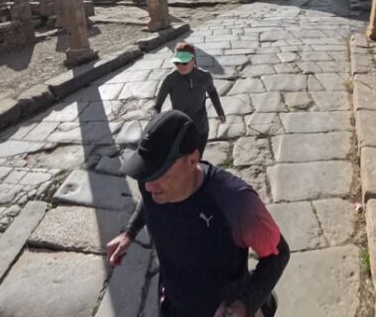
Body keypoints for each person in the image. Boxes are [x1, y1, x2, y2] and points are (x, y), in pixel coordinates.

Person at [107, 110, 289, 317]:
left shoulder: (235, 202)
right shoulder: (152, 183)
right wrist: (130, 231)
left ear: (192, 160)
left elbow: (279, 254)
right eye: (146, 173)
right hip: (172, 302)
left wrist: (245, 304)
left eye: (160, 173)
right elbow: (149, 202)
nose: (148, 186)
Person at [153, 41, 226, 154]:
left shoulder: (204, 77)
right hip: (180, 129)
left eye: (184, 62)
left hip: (201, 128)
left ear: (193, 60)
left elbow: (212, 92)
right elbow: (157, 106)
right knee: (184, 158)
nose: (180, 66)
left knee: (198, 157)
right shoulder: (170, 80)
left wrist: (220, 112)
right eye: (177, 62)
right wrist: (155, 123)